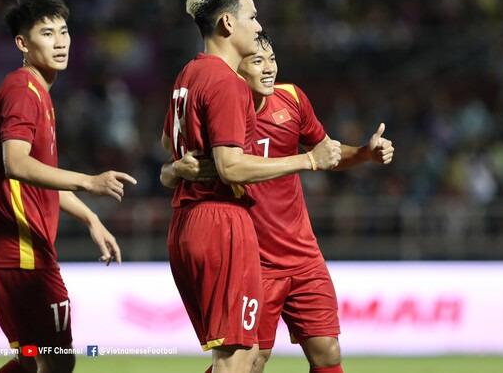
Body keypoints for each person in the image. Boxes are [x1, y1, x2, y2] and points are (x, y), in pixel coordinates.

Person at [162, 32, 394, 373]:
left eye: (271, 58)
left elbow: (326, 152)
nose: (269, 68)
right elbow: (176, 160)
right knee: (250, 361)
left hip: (302, 254)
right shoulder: (220, 109)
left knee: (328, 351)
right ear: (236, 69)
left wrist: (364, 154)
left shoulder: (292, 99)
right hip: (253, 259)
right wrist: (171, 172)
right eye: (258, 61)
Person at [160, 0, 341, 373]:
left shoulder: (188, 74)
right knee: (239, 359)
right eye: (252, 17)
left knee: (242, 355)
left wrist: (174, 169)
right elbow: (231, 166)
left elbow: (166, 140)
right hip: (220, 222)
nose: (258, 26)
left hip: (188, 221)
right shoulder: (227, 83)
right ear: (228, 24)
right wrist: (307, 160)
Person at [0, 0, 137, 373]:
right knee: (58, 362)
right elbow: (15, 164)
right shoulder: (22, 92)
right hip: (20, 249)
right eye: (47, 33)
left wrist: (91, 219)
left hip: (16, 247)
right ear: (23, 44)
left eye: (64, 32)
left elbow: (39, 178)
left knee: (33, 362)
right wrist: (89, 182)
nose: (60, 41)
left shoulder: (37, 93)